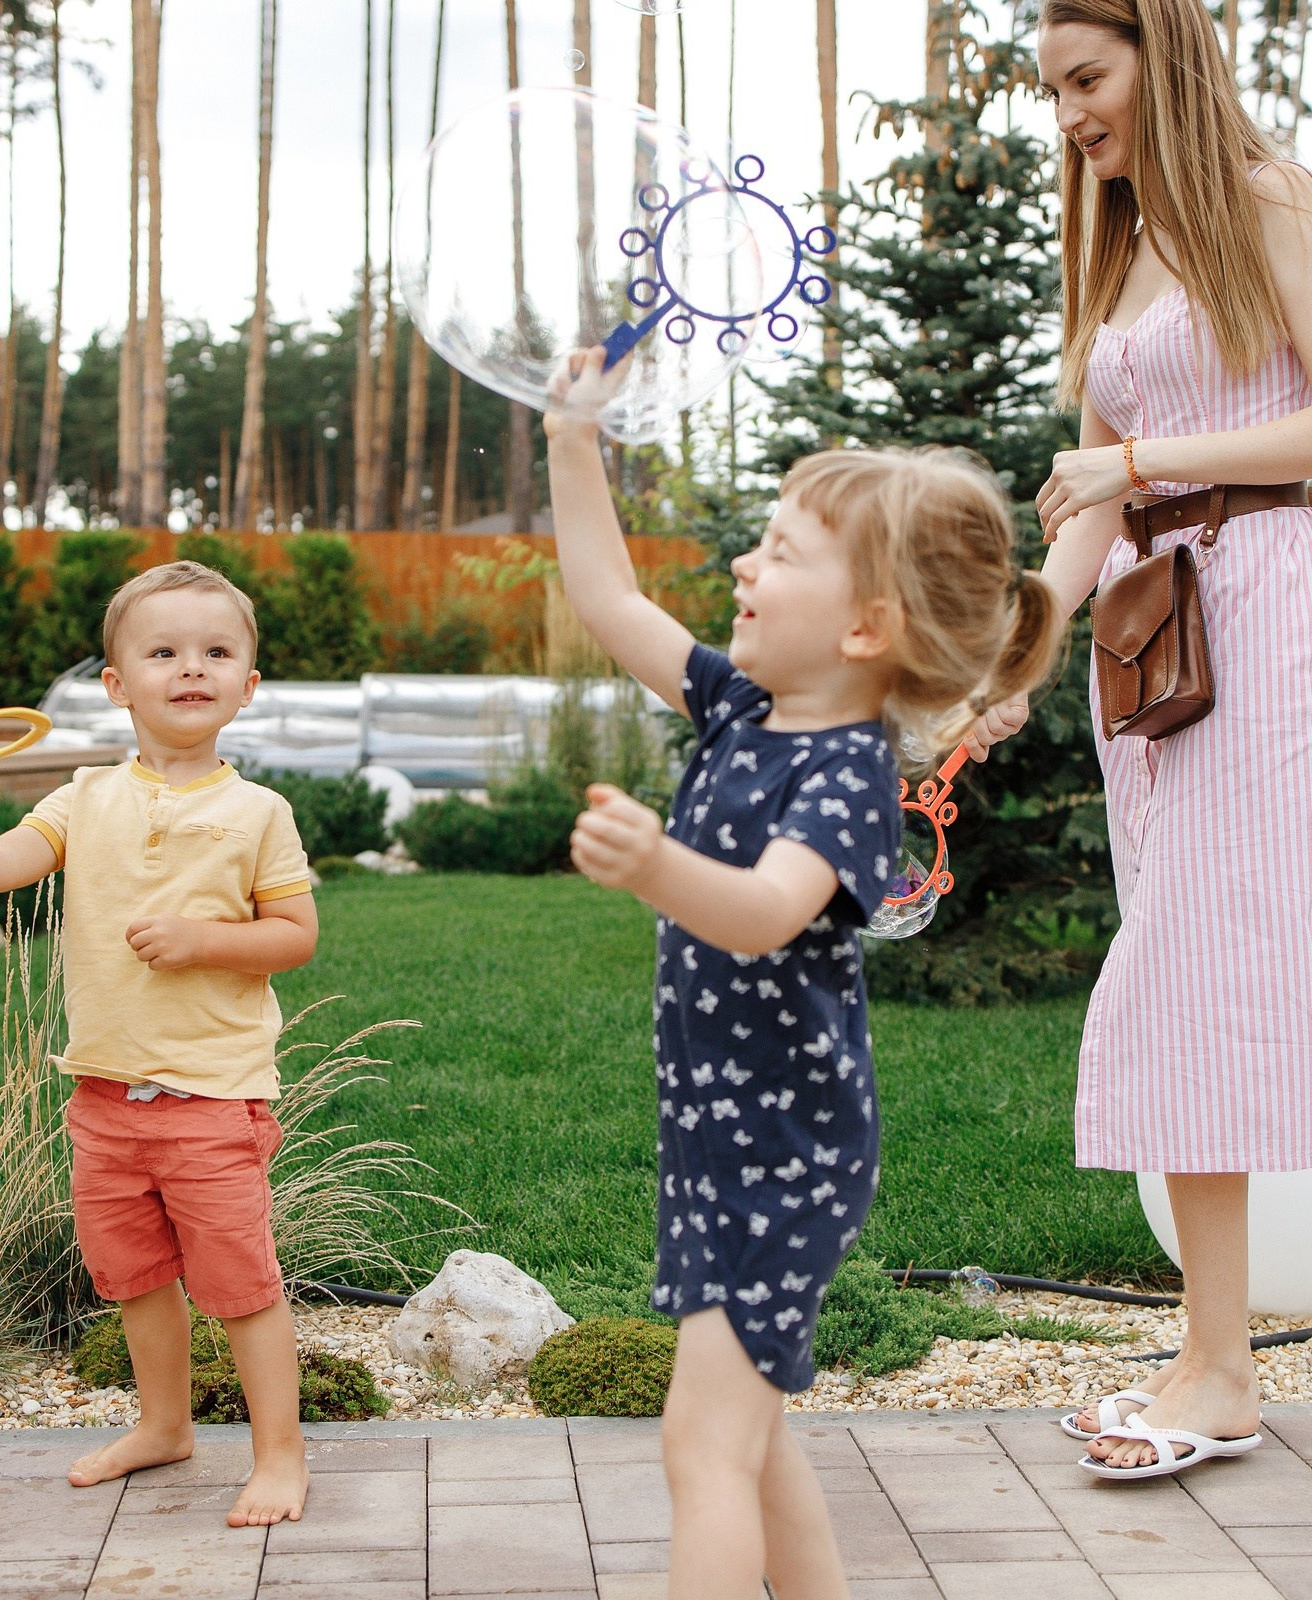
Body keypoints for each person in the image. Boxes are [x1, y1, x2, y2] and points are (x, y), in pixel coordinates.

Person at [546, 348, 1065, 1600]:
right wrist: (572, 437)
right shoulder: (741, 711)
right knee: (755, 1432)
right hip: (727, 1136)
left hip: (786, 1146)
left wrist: (655, 865)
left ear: (867, 625)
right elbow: (611, 599)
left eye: (778, 550)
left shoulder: (843, 774)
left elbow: (766, 914)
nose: (743, 564)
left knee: (703, 1445)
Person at [964, 0, 1312, 1482]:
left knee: (1196, 970)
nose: (1070, 114)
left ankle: (1218, 1372)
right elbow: (1093, 505)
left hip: (1264, 615)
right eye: (1054, 92)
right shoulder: (1123, 241)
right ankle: (1216, 1360)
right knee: (1180, 970)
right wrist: (1011, 665)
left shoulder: (1267, 204)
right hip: (1153, 639)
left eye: (1088, 79)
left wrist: (1141, 458)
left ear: (1166, 54)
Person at [0, 560, 318, 1527]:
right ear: (117, 685)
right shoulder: (82, 797)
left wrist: (206, 941)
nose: (190, 668)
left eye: (216, 652)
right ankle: (165, 1425)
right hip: (104, 1097)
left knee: (243, 1287)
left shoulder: (258, 813)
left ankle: (280, 1456)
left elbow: (295, 937)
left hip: (212, 1096)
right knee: (135, 1277)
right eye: (162, 651)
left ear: (248, 685)